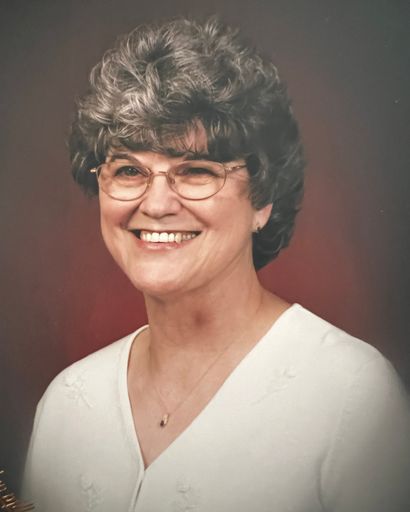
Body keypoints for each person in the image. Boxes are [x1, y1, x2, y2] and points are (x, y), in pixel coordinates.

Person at [22, 17, 410, 512]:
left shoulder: (352, 397)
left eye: (196, 171)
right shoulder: (66, 403)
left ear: (262, 200)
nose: (156, 204)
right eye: (128, 170)